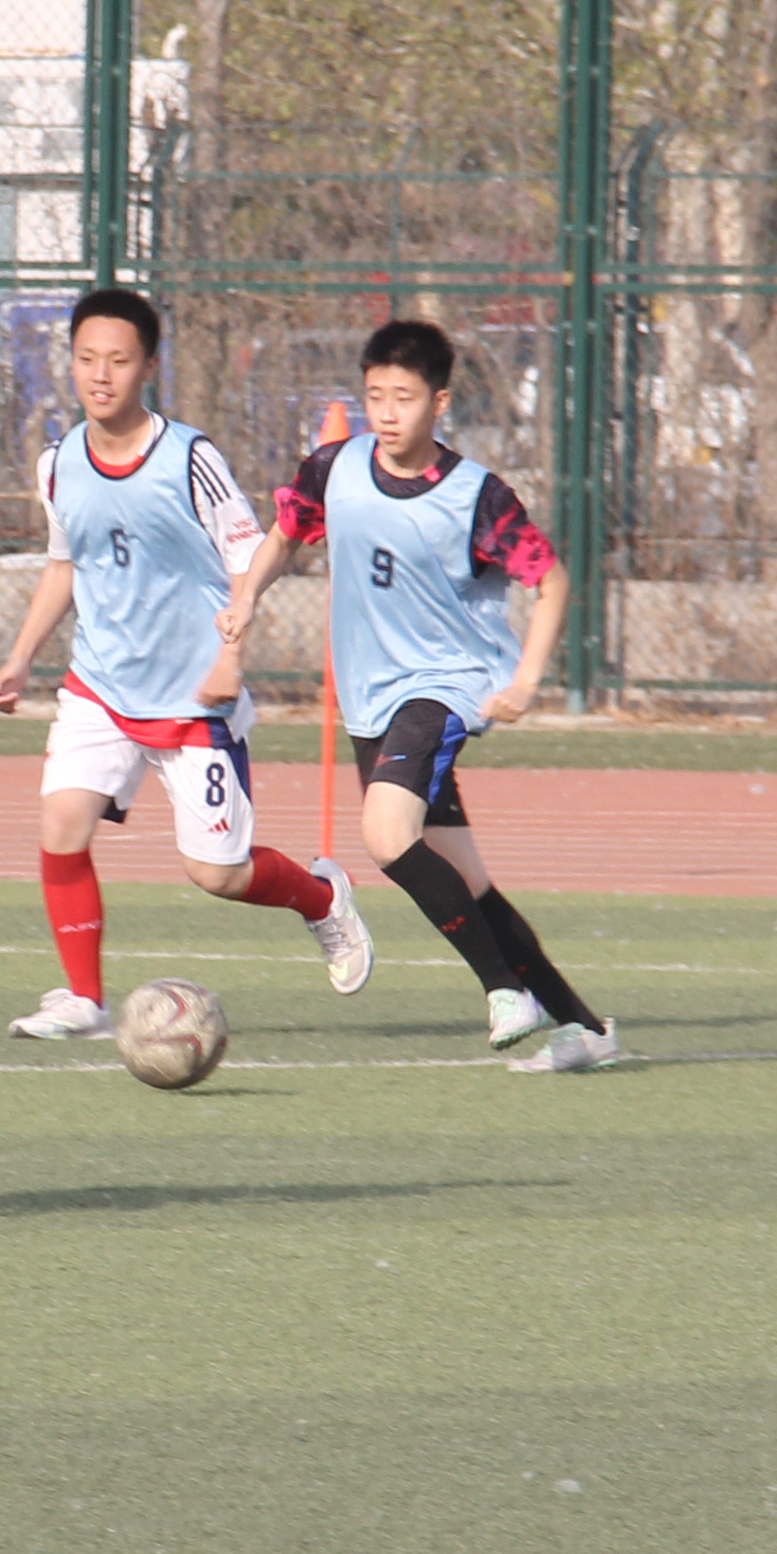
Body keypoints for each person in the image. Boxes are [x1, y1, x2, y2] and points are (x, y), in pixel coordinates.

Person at [221, 319, 620, 1072]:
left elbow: (551, 580)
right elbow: (285, 533)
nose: (386, 412)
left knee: (385, 834)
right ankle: (587, 1028)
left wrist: (527, 680)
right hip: (371, 696)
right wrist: (247, 597)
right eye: (375, 395)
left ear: (439, 402)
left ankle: (505, 990)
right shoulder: (335, 467)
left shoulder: (476, 497)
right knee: (465, 880)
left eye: (403, 398)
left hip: (445, 685)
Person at [0, 287, 372, 1039]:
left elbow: (247, 560)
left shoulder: (189, 458)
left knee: (218, 873)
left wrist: (231, 658)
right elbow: (65, 564)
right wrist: (20, 657)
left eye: (118, 360)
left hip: (193, 698)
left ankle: (323, 900)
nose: (100, 375)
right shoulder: (58, 463)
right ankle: (83, 999)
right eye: (86, 359)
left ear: (149, 367)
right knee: (62, 823)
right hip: (99, 685)